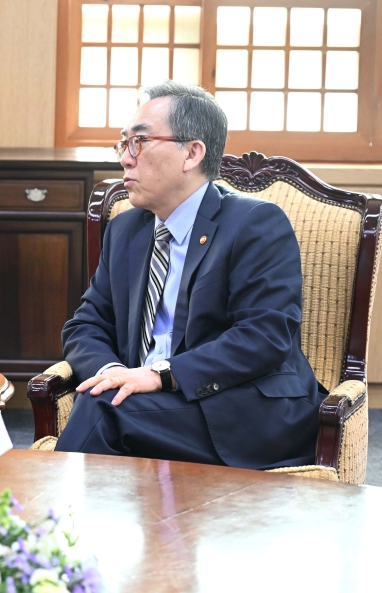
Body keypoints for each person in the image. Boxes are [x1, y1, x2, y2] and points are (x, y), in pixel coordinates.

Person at [54, 81, 325, 469]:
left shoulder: (254, 224)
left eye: (140, 142)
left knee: (102, 410)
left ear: (192, 153)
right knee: (106, 399)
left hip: (237, 409)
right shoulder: (127, 230)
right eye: (123, 144)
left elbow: (265, 336)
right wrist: (115, 373)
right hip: (151, 405)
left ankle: (36, 523)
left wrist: (160, 375)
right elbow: (86, 324)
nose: (126, 159)